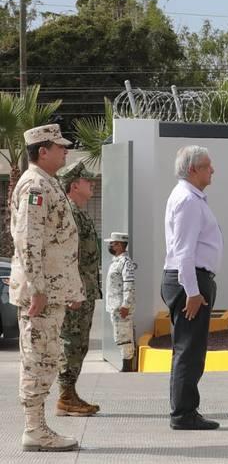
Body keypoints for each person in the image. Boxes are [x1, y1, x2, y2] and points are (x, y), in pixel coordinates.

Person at [9, 124, 85, 452]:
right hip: (40, 293)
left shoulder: (47, 182)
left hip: (52, 290)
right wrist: (39, 287)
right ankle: (34, 430)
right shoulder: (34, 186)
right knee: (37, 359)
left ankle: (38, 428)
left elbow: (59, 243)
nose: (65, 150)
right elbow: (29, 239)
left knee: (47, 357)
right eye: (60, 146)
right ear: (43, 150)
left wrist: (70, 289)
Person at [161, 145, 223, 430]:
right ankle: (184, 414)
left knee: (189, 349)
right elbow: (184, 251)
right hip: (189, 281)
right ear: (193, 169)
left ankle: (185, 411)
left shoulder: (190, 197)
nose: (213, 170)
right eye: (208, 165)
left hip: (191, 279)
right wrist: (193, 292)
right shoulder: (187, 199)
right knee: (189, 350)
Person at [55, 160, 101, 417]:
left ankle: (69, 393)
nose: (92, 184)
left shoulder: (78, 211)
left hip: (83, 290)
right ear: (74, 185)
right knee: (71, 342)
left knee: (79, 343)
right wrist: (72, 290)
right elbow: (67, 255)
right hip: (75, 292)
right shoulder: (70, 213)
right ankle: (65, 396)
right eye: (87, 180)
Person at [104, 232, 137, 371]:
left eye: (113, 243)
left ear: (120, 245)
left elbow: (129, 284)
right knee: (120, 335)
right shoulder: (116, 262)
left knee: (124, 336)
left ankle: (127, 367)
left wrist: (126, 305)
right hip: (115, 306)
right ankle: (126, 364)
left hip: (121, 307)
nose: (110, 245)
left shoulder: (125, 263)